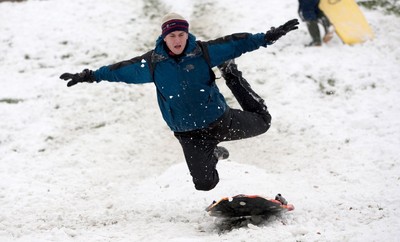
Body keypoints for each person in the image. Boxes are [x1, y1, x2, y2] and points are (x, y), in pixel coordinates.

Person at [60, 13, 299, 191]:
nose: (177, 40)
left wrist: (268, 37)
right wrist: (89, 76)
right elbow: (118, 71)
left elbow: (237, 43)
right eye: (172, 35)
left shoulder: (202, 52)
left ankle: (231, 74)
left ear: (187, 34)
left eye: (181, 34)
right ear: (164, 37)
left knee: (264, 122)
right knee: (205, 185)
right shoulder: (152, 63)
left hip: (221, 120)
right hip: (189, 135)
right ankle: (215, 154)